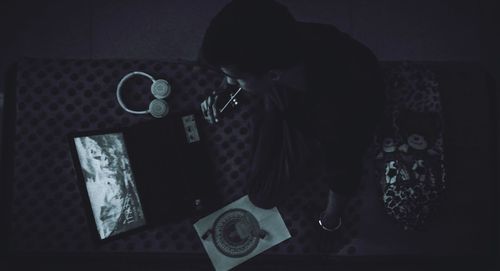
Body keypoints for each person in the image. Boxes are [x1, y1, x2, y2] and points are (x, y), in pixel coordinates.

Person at [199, 0, 385, 232]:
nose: (229, 82)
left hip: (321, 116)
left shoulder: (337, 114)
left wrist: (329, 220)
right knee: (257, 95)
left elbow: (344, 173)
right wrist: (224, 90)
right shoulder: (283, 34)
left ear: (273, 75)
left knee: (262, 195)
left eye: (234, 77)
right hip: (285, 91)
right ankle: (266, 102)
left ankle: (269, 107)